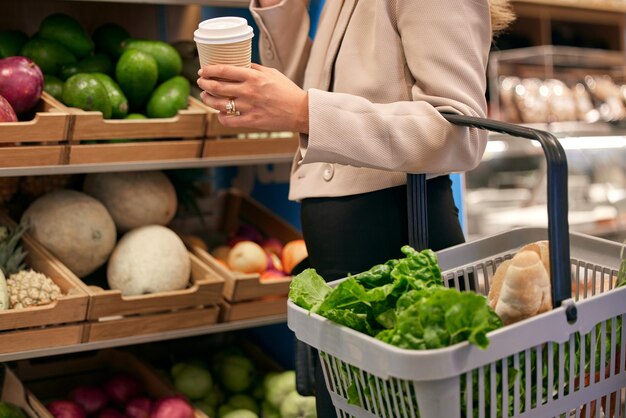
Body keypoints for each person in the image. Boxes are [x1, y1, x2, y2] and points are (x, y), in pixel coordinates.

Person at [198, 0, 515, 415]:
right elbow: (311, 93)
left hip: (399, 247)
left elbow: (459, 132)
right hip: (349, 253)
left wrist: (302, 110)